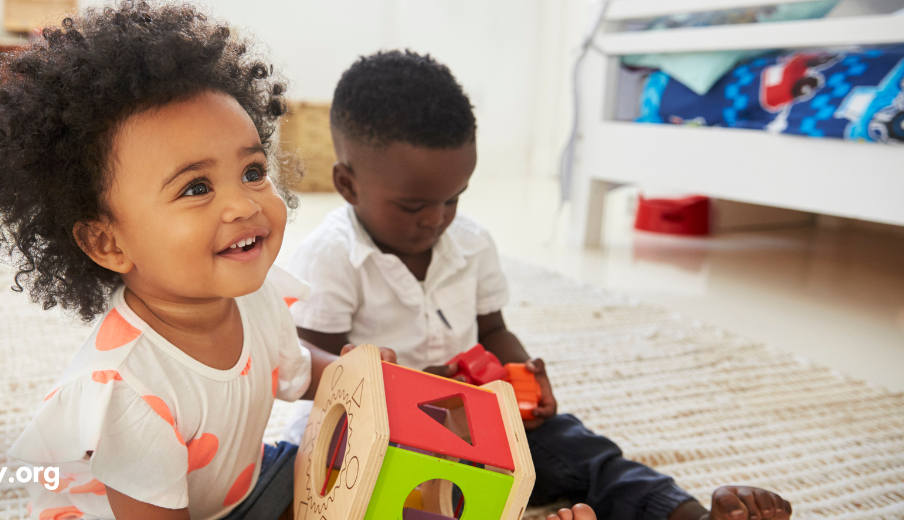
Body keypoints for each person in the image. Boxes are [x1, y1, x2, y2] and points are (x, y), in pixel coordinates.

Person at [286, 50, 792, 520]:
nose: (436, 220)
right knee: (342, 488)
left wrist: (521, 375)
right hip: (373, 434)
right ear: (348, 184)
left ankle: (691, 515)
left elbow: (494, 328)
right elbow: (321, 376)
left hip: (474, 419)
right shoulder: (332, 257)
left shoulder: (472, 243)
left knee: (579, 449)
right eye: (414, 206)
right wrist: (421, 391)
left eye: (454, 198)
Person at [0, 3, 393, 519]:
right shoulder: (129, 392)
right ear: (107, 244)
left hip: (240, 488)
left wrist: (354, 375)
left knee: (351, 485)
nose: (244, 204)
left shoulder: (253, 294)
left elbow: (295, 371)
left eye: (253, 171)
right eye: (196, 187)